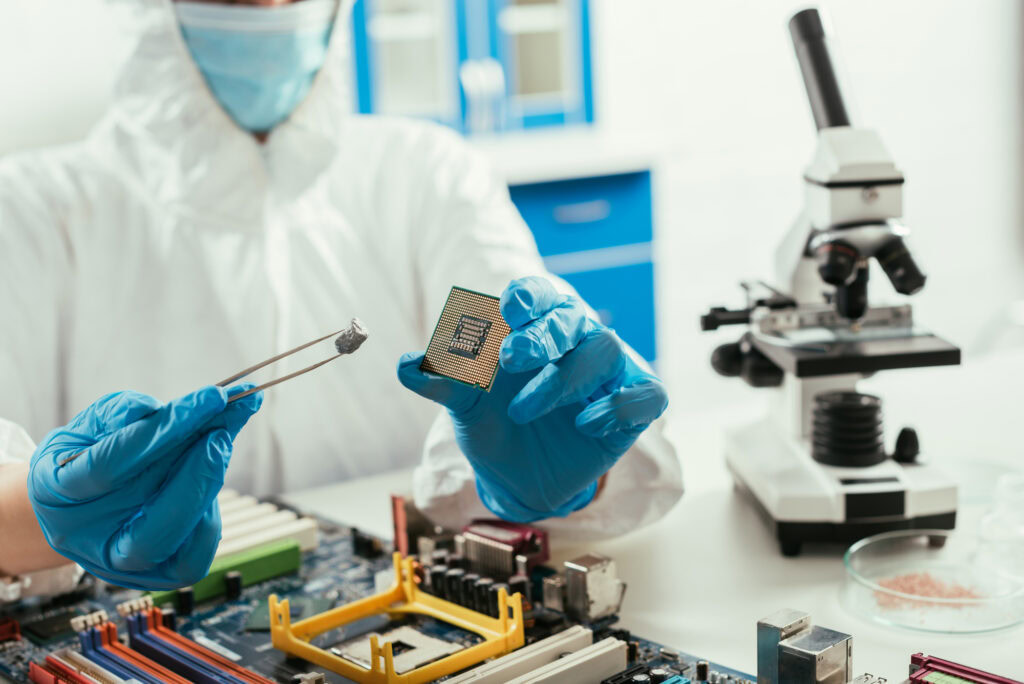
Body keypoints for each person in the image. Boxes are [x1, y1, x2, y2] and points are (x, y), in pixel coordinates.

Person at [0, 0, 681, 593]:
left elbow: (487, 336)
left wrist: (559, 447)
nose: (269, 9)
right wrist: (41, 510)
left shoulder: (425, 178)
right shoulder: (29, 209)